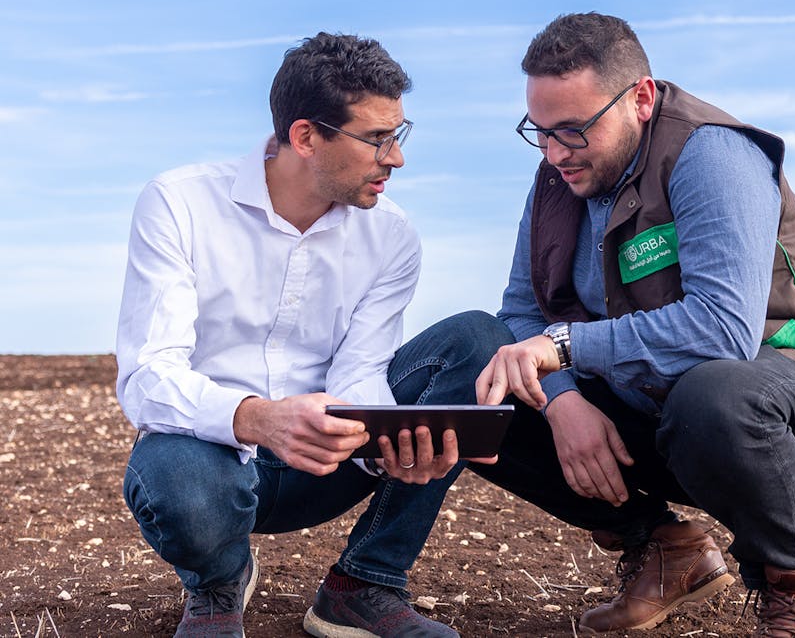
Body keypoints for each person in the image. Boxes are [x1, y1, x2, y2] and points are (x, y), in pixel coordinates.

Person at [473, 13, 795, 637]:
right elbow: (522, 312)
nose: (556, 153)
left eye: (573, 130)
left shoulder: (714, 153)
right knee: (467, 364)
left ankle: (793, 582)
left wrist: (563, 347)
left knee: (715, 392)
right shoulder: (559, 177)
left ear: (639, 99)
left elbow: (722, 332)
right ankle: (666, 548)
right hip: (661, 410)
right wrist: (561, 405)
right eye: (540, 132)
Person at [116, 32, 510, 638]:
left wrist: (393, 442)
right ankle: (218, 584)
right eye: (377, 139)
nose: (396, 158)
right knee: (180, 483)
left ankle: (364, 585)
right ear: (305, 137)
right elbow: (148, 376)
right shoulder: (178, 203)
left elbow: (361, 370)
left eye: (398, 135)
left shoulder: (392, 236)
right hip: (216, 458)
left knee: (479, 338)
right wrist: (260, 418)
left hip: (328, 460)